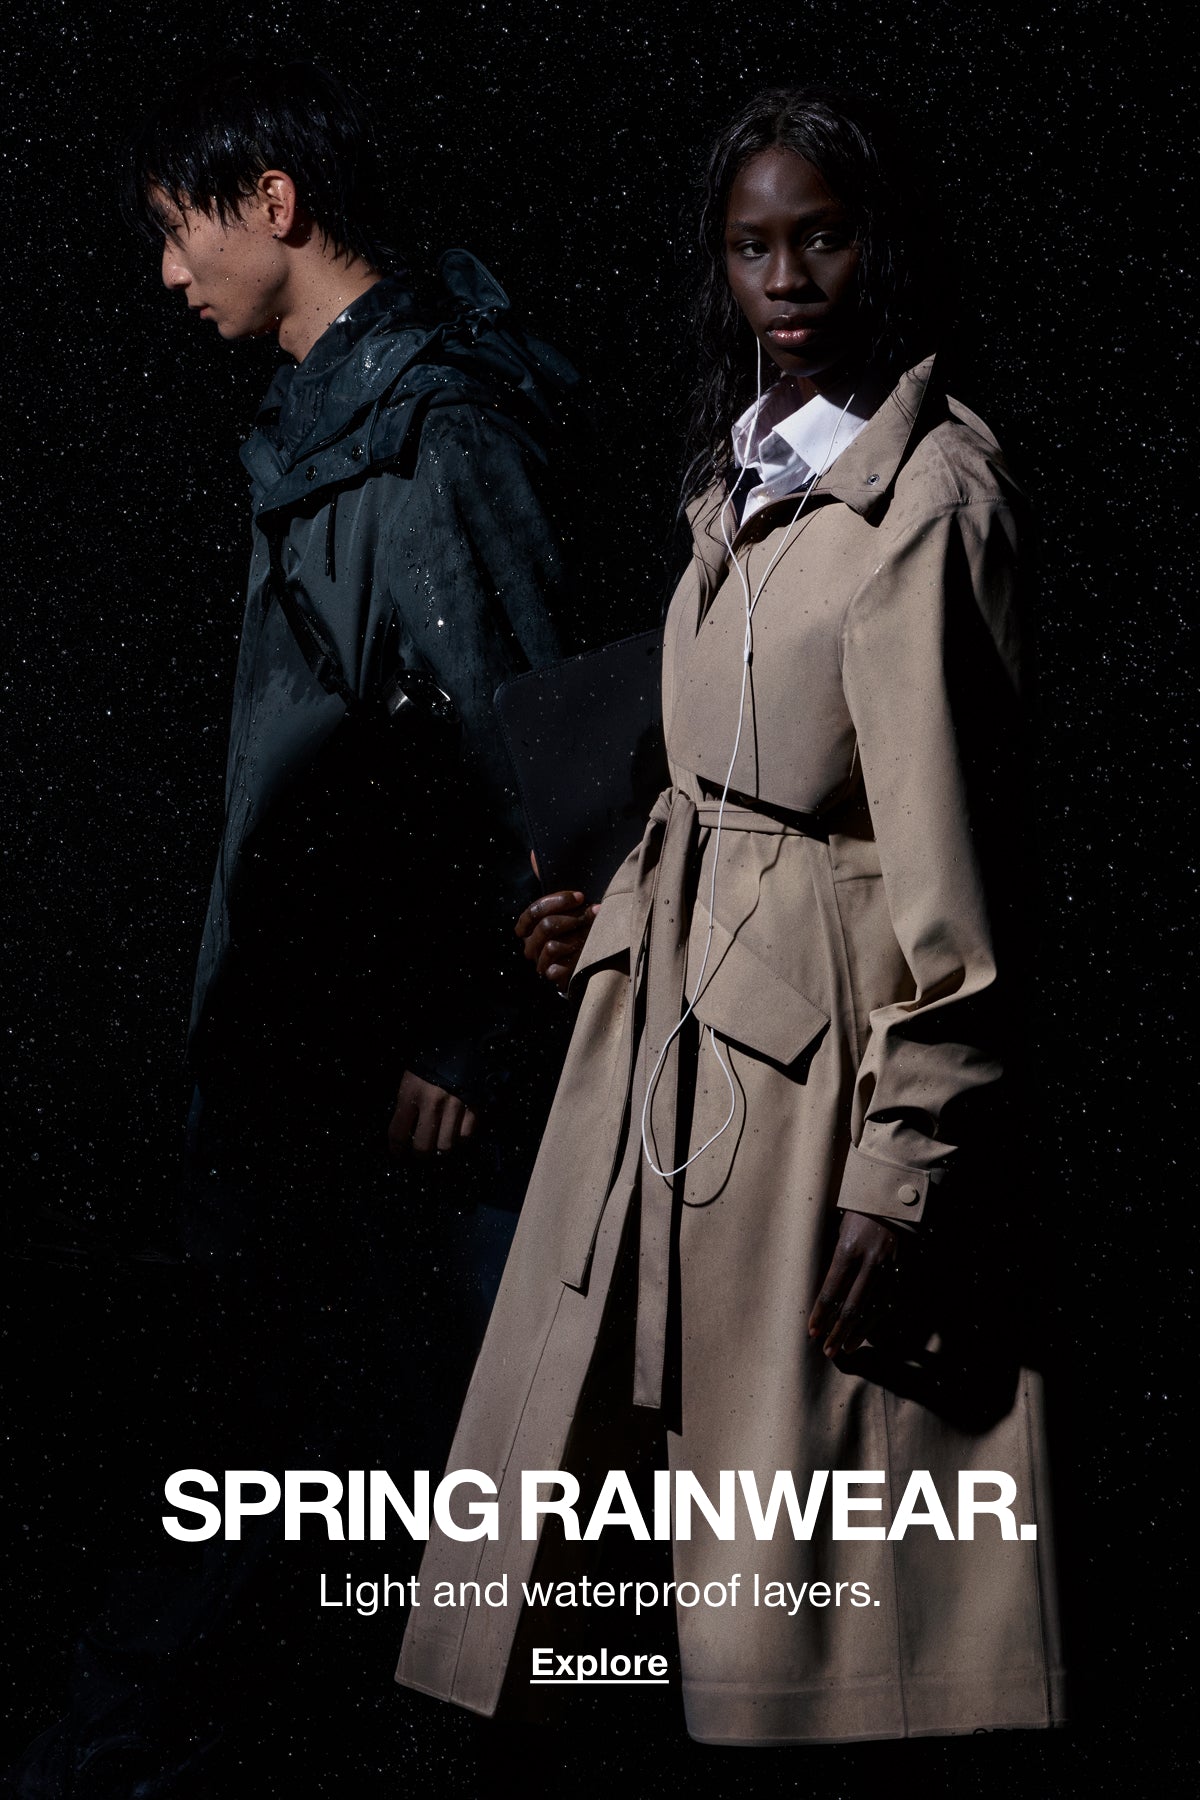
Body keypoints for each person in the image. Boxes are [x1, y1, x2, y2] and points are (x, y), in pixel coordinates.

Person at [397, 88, 1065, 1744]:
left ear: (876, 246)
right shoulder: (735, 483)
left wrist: (903, 1170)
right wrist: (615, 924)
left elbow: (965, 880)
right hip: (679, 1080)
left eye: (820, 237)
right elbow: (711, 795)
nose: (788, 278)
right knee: (652, 1595)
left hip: (826, 1100)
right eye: (753, 247)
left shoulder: (928, 501)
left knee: (822, 1624)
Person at [4, 55, 579, 1798]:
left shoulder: (438, 430)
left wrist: (473, 1040)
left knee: (397, 1493)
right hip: (304, 1051)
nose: (168, 274)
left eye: (180, 230)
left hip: (402, 1083)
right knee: (293, 1458)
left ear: (275, 201)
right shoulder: (325, 428)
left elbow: (530, 758)